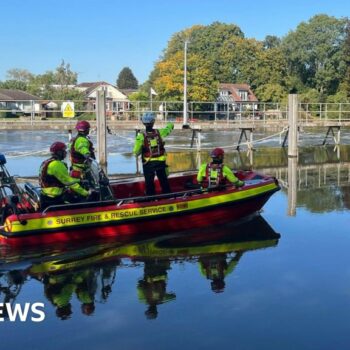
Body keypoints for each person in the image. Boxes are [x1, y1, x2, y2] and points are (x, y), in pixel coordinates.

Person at [39, 142, 90, 209]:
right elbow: (69, 182)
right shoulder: (56, 164)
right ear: (59, 152)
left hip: (46, 195)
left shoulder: (47, 162)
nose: (66, 153)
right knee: (80, 204)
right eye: (64, 151)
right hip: (54, 198)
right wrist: (86, 192)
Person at [133, 112, 174, 196]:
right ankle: (167, 196)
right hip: (161, 162)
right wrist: (170, 123)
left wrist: (141, 149)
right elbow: (169, 128)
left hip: (148, 163)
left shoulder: (140, 136)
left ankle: (151, 197)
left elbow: (136, 152)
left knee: (149, 182)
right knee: (163, 180)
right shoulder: (160, 133)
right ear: (153, 122)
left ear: (143, 123)